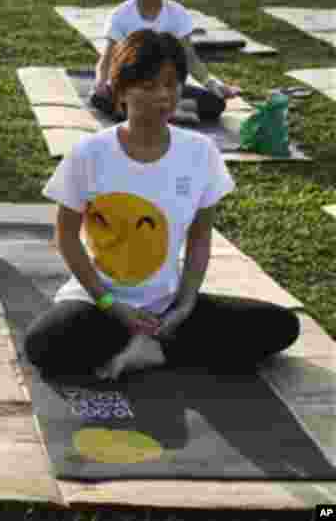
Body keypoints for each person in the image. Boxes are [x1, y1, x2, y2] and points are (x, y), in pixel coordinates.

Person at [24, 29, 299, 381]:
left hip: (166, 305)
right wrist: (110, 304)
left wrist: (184, 304)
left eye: (171, 84)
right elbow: (66, 237)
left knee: (280, 326)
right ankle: (150, 343)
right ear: (121, 91)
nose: (163, 96)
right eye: (149, 85)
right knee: (45, 343)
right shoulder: (89, 154)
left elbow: (200, 238)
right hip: (100, 305)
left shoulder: (200, 153)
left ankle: (151, 347)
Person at [89, 0, 240, 125]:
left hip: (167, 86)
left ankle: (157, 111)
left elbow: (190, 58)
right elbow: (106, 58)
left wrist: (214, 85)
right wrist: (100, 83)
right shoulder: (121, 14)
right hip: (135, 86)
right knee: (100, 98)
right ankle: (170, 111)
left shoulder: (178, 14)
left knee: (215, 104)